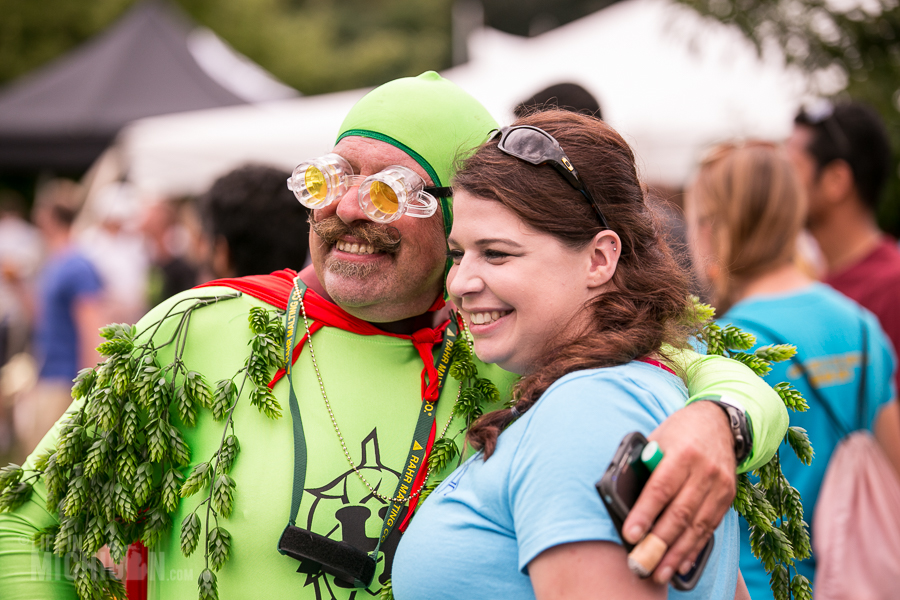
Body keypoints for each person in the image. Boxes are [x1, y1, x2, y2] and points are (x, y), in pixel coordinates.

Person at [0, 73, 786, 600]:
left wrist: (720, 423)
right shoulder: (204, 328)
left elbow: (706, 368)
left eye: (389, 191)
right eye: (332, 177)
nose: (345, 209)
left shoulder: (511, 352)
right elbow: (27, 522)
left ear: (459, 222)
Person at [392, 109, 743, 599]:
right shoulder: (632, 386)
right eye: (458, 254)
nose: (459, 284)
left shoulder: (588, 409)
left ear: (599, 259)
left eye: (496, 253)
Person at [685, 140, 899, 598]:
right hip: (855, 578)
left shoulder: (716, 349)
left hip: (759, 582)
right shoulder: (861, 325)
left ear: (712, 229)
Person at [786, 101, 900, 391]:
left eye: (791, 168)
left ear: (836, 181)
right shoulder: (814, 279)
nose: (780, 185)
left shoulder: (892, 289)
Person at [13, 179, 107, 455]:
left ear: (49, 215)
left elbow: (93, 327)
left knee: (50, 464)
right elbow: (42, 317)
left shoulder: (77, 265)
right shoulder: (55, 262)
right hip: (48, 374)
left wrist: (88, 386)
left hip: (65, 380)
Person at [197, 164, 311, 279]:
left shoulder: (190, 296)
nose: (199, 251)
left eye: (203, 241)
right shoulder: (321, 294)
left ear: (222, 254)